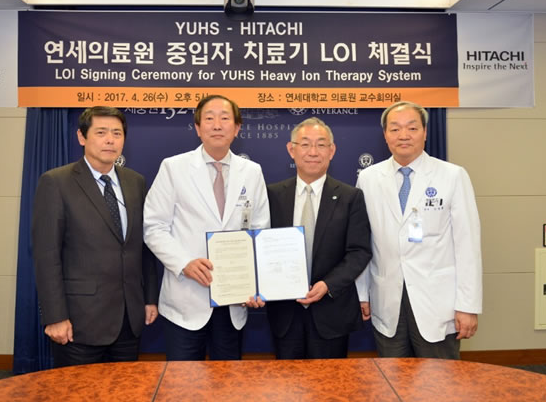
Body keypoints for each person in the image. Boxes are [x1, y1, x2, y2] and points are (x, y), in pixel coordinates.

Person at [143, 94, 270, 361]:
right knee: (184, 387)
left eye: (225, 118)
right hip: (186, 300)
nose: (217, 125)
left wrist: (255, 282)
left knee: (228, 386)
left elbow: (260, 232)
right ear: (198, 128)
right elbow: (154, 227)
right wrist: (184, 263)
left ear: (237, 128)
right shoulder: (173, 168)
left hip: (234, 300)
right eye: (209, 118)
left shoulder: (252, 171)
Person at [32, 106, 159, 367]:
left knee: (125, 393)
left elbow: (142, 246)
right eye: (101, 132)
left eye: (117, 133)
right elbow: (47, 256)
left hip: (128, 318)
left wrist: (149, 298)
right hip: (79, 322)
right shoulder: (56, 182)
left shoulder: (136, 182)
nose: (110, 140)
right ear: (82, 137)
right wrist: (55, 316)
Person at [356, 101, 482, 359]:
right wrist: (361, 293)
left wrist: (467, 306)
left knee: (439, 386)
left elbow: (468, 246)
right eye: (395, 129)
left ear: (425, 132)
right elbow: (362, 243)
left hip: (438, 302)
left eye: (412, 128)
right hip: (386, 299)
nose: (403, 135)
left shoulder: (452, 176)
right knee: (392, 383)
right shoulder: (368, 178)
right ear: (385, 135)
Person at [266, 117, 372, 359]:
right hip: (285, 313)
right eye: (305, 144)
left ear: (332, 151)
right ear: (291, 150)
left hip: (332, 313)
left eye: (321, 144)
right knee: (287, 390)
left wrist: (328, 285)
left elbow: (359, 251)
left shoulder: (350, 197)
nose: (313, 152)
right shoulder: (271, 195)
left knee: (331, 390)